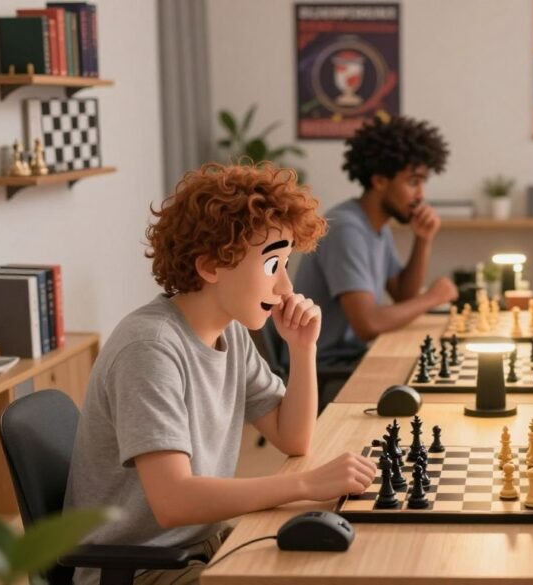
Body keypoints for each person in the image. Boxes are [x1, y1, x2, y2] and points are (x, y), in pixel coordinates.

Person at [65, 164, 378, 585]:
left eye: (286, 263)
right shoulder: (150, 349)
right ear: (212, 266)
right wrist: (304, 485)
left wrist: (302, 349)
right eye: (273, 266)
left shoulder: (229, 333)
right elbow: (172, 500)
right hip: (142, 571)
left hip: (201, 547)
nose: (286, 287)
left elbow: (292, 437)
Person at [295, 116, 458, 367]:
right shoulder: (346, 229)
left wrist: (423, 240)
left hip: (353, 360)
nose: (421, 195)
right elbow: (368, 325)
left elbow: (404, 295)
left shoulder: (377, 228)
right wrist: (433, 298)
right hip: (325, 371)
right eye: (413, 182)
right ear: (380, 181)